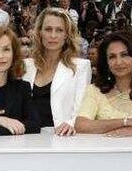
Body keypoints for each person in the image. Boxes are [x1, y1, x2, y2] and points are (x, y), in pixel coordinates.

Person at [22, 7, 91, 136]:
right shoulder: (26, 66)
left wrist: (71, 123)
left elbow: (80, 108)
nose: (53, 35)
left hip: (63, 138)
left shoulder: (81, 67)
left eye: (59, 30)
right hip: (27, 138)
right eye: (48, 29)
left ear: (66, 34)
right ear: (40, 32)